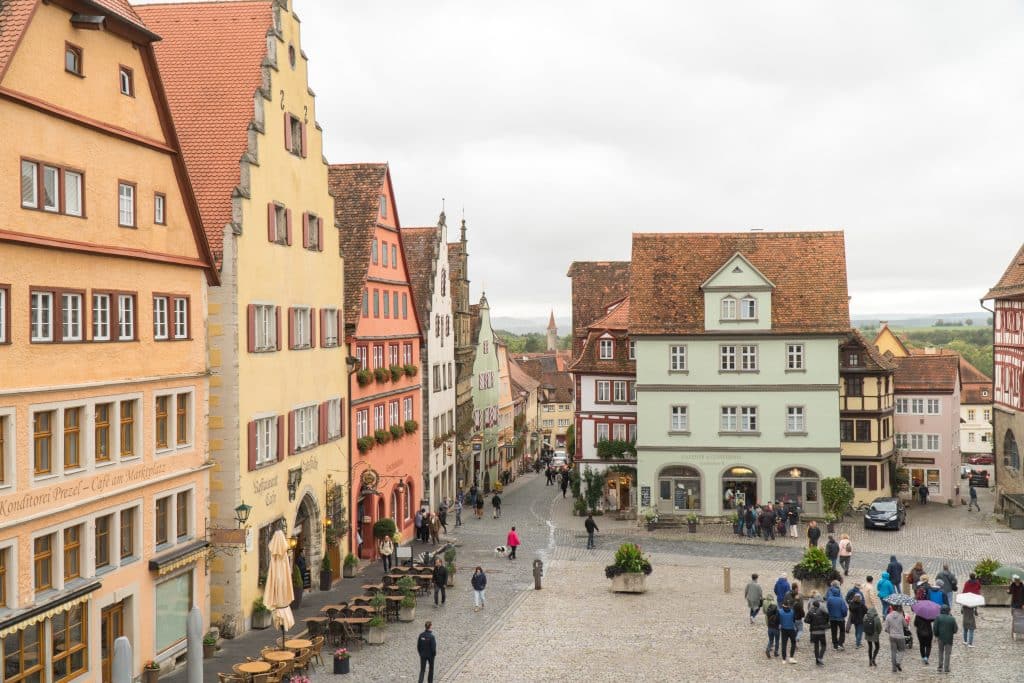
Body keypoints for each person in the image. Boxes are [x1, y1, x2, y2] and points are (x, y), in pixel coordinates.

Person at [932, 605, 958, 673]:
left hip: (940, 638)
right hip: (949, 639)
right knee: (947, 654)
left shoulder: (938, 618)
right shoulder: (952, 619)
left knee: (940, 652)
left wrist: (936, 635)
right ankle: (946, 668)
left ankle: (940, 667)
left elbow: (935, 628)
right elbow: (955, 630)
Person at [804, 599, 830, 666]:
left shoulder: (810, 611)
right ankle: (820, 657)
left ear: (813, 605)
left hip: (814, 632)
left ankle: (817, 661)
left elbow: (806, 620)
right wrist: (825, 623)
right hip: (821, 631)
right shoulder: (823, 611)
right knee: (823, 645)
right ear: (819, 606)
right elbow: (828, 617)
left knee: (816, 646)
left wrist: (812, 622)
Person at [825, 581, 848, 651]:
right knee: (842, 631)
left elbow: (828, 608)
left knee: (833, 631)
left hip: (832, 618)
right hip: (840, 618)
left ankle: (835, 645)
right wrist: (844, 615)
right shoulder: (841, 600)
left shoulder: (829, 599)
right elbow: (844, 609)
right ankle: (840, 644)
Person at [884, 605, 906, 672]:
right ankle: (898, 662)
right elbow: (905, 625)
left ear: (892, 608)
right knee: (902, 650)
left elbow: (886, 629)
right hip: (900, 637)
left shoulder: (888, 616)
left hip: (892, 636)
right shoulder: (901, 616)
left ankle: (894, 668)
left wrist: (890, 632)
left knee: (893, 652)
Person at [763, 594, 780, 658]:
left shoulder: (769, 615)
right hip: (776, 629)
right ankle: (776, 652)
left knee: (771, 640)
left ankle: (768, 649)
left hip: (770, 628)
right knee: (777, 641)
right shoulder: (777, 615)